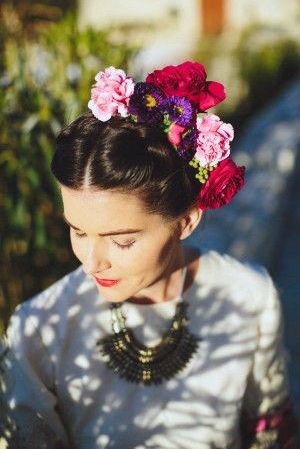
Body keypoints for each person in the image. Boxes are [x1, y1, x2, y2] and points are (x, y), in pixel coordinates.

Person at [0, 61, 299, 449]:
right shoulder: (40, 330)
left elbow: (272, 431)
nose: (91, 261)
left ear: (187, 220)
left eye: (122, 241)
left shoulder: (247, 295)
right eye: (77, 230)